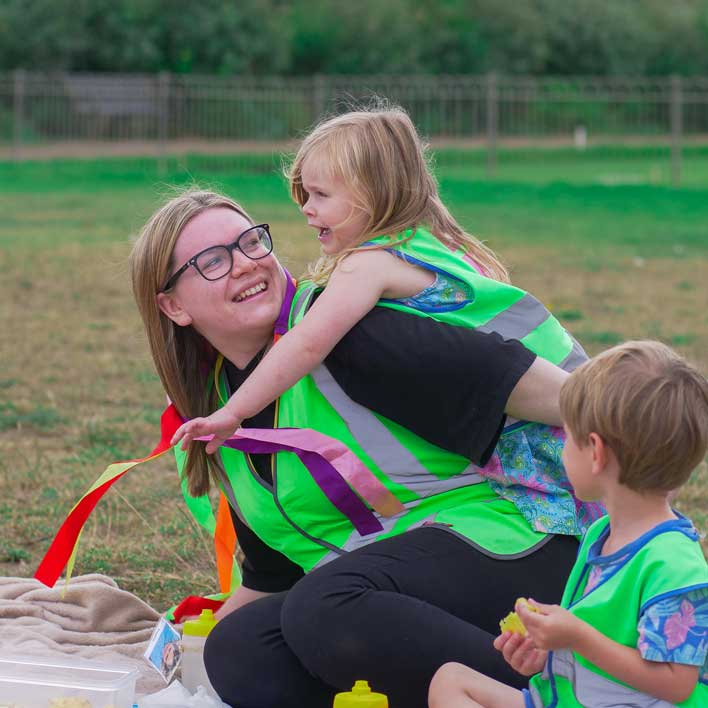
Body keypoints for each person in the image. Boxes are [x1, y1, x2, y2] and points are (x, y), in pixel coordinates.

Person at [129, 182, 586, 708]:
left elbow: (516, 379)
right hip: (382, 591)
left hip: (516, 547)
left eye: (251, 242)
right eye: (212, 260)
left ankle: (572, 695)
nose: (245, 263)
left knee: (323, 606)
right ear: (172, 305)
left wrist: (630, 414)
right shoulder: (214, 411)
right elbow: (271, 577)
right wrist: (173, 662)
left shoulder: (343, 329)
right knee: (240, 650)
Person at [171, 106, 599, 538]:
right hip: (571, 405)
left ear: (370, 194)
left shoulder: (366, 266)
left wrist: (233, 413)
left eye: (320, 195)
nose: (306, 209)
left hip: (550, 419)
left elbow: (306, 344)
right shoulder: (431, 243)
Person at [428, 340, 708, 708]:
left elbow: (676, 684)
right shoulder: (600, 535)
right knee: (451, 681)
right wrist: (548, 656)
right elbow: (605, 649)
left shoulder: (672, 564)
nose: (561, 449)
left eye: (566, 436)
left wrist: (576, 637)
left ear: (595, 452)